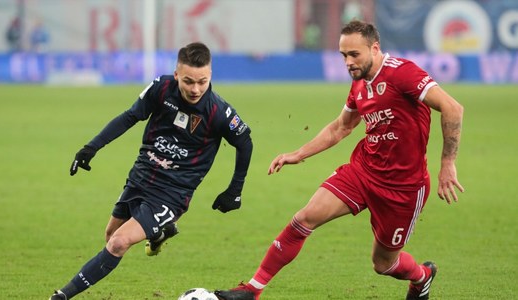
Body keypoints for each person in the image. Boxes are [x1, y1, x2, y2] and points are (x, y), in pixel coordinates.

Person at [215, 20, 464, 300]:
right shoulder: (359, 83)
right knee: (304, 218)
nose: (348, 62)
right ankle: (252, 290)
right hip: (363, 171)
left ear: (375, 48)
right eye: (343, 55)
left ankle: (421, 277)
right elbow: (341, 127)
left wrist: (447, 164)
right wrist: (298, 154)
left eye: (354, 54)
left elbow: (452, 108)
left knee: (384, 264)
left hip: (403, 188)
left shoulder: (403, 73)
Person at [49, 42, 253, 299]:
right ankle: (158, 233)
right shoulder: (162, 88)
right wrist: (91, 148)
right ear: (177, 74)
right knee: (110, 235)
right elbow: (129, 116)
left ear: (210, 75)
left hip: (173, 192)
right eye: (189, 81)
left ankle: (61, 295)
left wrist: (235, 189)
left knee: (119, 243)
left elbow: (244, 141)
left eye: (202, 81)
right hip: (142, 175)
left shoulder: (219, 111)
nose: (196, 89)